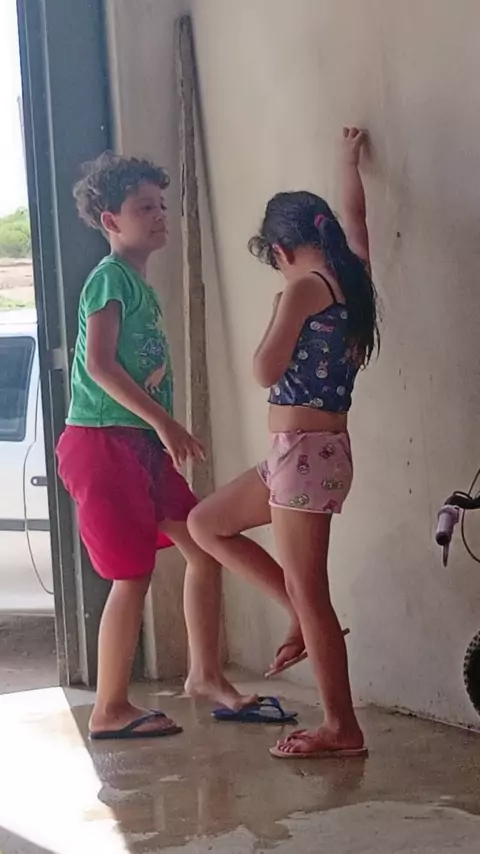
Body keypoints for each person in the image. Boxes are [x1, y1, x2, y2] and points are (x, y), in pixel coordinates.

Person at [187, 127, 379, 758]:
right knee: (206, 523)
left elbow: (265, 370)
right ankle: (295, 612)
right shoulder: (353, 275)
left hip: (304, 456)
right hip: (301, 456)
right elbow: (357, 220)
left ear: (280, 249)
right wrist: (347, 163)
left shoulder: (301, 288)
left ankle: (341, 727)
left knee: (312, 590)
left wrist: (278, 308)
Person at [57, 151, 256, 739]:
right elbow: (98, 365)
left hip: (140, 444)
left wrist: (158, 430)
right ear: (110, 220)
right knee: (131, 575)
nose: (160, 215)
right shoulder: (109, 278)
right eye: (145, 207)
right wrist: (166, 423)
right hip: (102, 442)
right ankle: (109, 707)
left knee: (204, 542)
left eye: (161, 205)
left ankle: (205, 674)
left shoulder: (138, 284)